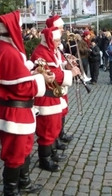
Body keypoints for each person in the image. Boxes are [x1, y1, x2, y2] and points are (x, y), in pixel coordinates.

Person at [0, 10, 55, 196]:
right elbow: (22, 88)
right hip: (14, 112)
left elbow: (18, 80)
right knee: (15, 154)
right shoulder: (8, 51)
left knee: (23, 149)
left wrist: (36, 75)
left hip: (18, 111)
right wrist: (41, 79)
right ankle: (11, 190)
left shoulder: (7, 48)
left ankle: (23, 183)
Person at [30, 27, 80, 173]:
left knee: (54, 127)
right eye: (57, 40)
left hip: (53, 96)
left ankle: (51, 154)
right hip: (46, 97)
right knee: (47, 129)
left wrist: (66, 65)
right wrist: (70, 72)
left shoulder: (50, 50)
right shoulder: (41, 52)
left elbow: (57, 68)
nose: (59, 43)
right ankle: (44, 160)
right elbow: (52, 74)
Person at [45, 15, 73, 149]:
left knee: (61, 111)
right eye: (61, 28)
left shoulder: (56, 46)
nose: (63, 30)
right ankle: (55, 140)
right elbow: (52, 70)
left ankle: (59, 135)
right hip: (52, 89)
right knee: (53, 118)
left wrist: (67, 62)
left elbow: (58, 63)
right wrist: (70, 73)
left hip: (60, 86)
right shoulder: (46, 49)